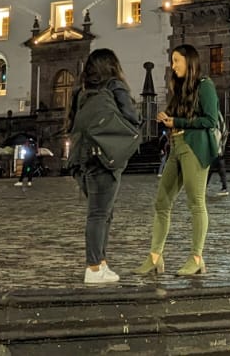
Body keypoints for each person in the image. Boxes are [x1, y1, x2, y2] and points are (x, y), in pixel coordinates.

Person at [136, 44, 218, 277]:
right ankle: (155, 256)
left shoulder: (206, 86)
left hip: (195, 147)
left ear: (189, 62)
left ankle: (196, 257)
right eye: (173, 61)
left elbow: (210, 120)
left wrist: (178, 122)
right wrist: (166, 118)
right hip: (176, 147)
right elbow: (178, 117)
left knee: (196, 202)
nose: (173, 65)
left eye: (176, 60)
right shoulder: (180, 89)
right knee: (162, 201)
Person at [65, 48, 139, 284]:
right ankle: (94, 267)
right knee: (99, 214)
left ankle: (101, 262)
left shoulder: (81, 92)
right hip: (104, 157)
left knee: (103, 212)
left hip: (82, 159)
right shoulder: (115, 86)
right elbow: (131, 117)